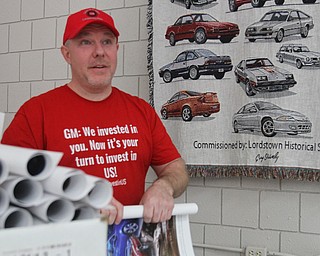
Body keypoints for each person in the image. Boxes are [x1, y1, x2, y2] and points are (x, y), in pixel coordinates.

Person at [1, 8, 189, 225]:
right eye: (86, 42)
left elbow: (176, 169)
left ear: (117, 49)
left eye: (107, 42)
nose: (99, 52)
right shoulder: (35, 113)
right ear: (66, 54)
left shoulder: (141, 111)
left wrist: (163, 187)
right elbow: (10, 188)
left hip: (128, 242)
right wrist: (79, 202)